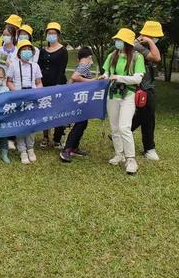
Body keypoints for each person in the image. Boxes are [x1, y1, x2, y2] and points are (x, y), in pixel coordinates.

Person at [102, 28, 146, 175]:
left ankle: (131, 160)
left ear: (127, 42)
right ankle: (119, 154)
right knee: (114, 127)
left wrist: (118, 78)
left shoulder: (136, 57)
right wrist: (105, 75)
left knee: (124, 127)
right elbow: (107, 72)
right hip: (113, 94)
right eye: (116, 40)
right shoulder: (112, 55)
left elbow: (138, 79)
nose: (117, 42)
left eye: (120, 40)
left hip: (128, 95)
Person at [131, 21, 163, 160]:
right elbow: (157, 58)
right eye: (155, 37)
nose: (157, 39)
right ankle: (149, 148)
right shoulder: (138, 45)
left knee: (142, 115)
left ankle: (119, 135)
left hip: (146, 85)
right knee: (148, 116)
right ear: (148, 34)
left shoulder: (141, 44)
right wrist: (150, 41)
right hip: (142, 87)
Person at [7, 40, 43, 164]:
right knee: (20, 124)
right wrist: (16, 92)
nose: (26, 52)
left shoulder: (35, 66)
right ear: (19, 52)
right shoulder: (13, 65)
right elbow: (9, 81)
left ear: (32, 52)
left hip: (32, 96)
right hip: (18, 96)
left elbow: (38, 82)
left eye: (29, 49)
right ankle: (22, 150)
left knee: (31, 124)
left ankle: (31, 148)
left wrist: (38, 93)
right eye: (24, 49)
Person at [60, 47, 96, 163]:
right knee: (80, 124)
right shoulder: (84, 66)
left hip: (81, 99)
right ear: (88, 57)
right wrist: (93, 81)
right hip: (79, 100)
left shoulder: (81, 66)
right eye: (90, 57)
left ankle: (74, 147)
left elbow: (72, 80)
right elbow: (75, 77)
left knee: (83, 123)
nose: (91, 60)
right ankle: (67, 149)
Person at [38, 22, 68, 148]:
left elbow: (62, 69)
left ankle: (57, 137)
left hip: (58, 84)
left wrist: (57, 85)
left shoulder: (63, 51)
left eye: (53, 33)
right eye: (49, 33)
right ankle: (45, 136)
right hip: (43, 84)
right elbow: (39, 67)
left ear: (58, 35)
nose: (51, 35)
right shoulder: (42, 50)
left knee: (58, 111)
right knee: (45, 110)